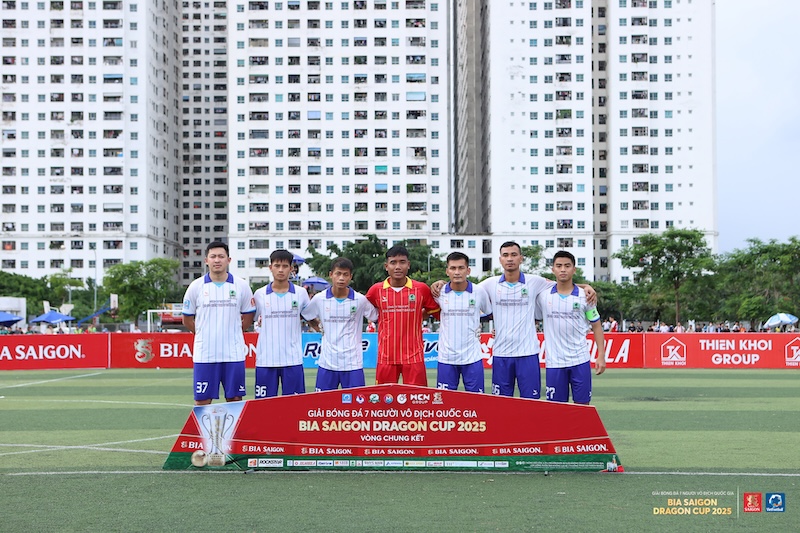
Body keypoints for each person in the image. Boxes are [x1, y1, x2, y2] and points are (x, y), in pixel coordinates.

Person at [431, 241, 595, 399]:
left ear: (521, 258)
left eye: (514, 255)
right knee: (501, 405)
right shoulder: (489, 284)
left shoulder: (535, 281)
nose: (510, 259)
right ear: (500, 259)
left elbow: (562, 284)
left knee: (530, 403)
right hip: (501, 354)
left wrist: (585, 287)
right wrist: (442, 283)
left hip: (528, 354)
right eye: (505, 255)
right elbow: (462, 287)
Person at [182, 241, 255, 405]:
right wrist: (202, 333)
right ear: (206, 260)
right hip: (205, 354)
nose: (217, 260)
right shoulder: (196, 286)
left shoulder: (241, 285)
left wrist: (235, 331)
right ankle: (204, 425)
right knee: (202, 400)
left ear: (228, 260)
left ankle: (233, 425)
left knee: (235, 399)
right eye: (213, 256)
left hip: (233, 354)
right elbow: (187, 319)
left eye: (221, 256)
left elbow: (248, 315)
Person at [536, 251, 605, 404]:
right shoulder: (543, 296)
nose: (563, 269)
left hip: (580, 361)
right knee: (556, 410)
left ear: (574, 269)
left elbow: (596, 325)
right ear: (553, 269)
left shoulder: (585, 296)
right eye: (559, 266)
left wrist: (601, 355)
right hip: (554, 363)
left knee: (583, 407)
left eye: (567, 266)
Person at [366, 245, 439, 386]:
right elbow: (361, 308)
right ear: (386, 266)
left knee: (417, 397)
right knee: (385, 397)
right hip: (386, 357)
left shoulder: (421, 289)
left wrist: (418, 315)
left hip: (414, 357)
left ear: (408, 265)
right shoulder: (376, 290)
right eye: (393, 262)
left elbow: (436, 312)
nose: (398, 267)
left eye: (402, 262)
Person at [301, 257, 378, 391]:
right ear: (331, 275)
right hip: (327, 363)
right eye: (338, 274)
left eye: (345, 274)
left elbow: (375, 316)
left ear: (350, 277)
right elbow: (306, 314)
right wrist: (318, 327)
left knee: (356, 403)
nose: (341, 278)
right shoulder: (319, 299)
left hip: (353, 364)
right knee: (323, 403)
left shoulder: (360, 300)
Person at [253, 249, 311, 398]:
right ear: (270, 267)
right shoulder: (259, 294)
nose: (280, 270)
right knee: (264, 406)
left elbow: (310, 317)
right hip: (266, 360)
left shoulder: (301, 293)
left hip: (292, 359)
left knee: (294, 406)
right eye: (277, 265)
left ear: (291, 269)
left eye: (285, 266)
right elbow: (252, 318)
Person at [433, 252, 492, 393]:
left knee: (476, 402)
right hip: (446, 358)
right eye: (453, 268)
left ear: (468, 270)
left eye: (461, 268)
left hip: (472, 357)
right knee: (445, 401)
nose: (457, 272)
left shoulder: (479, 292)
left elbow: (490, 314)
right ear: (447, 271)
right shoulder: (438, 293)